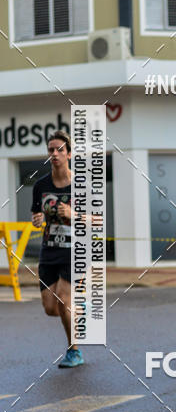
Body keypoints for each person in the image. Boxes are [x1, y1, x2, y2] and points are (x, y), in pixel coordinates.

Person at [31, 130, 84, 368]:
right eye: (51, 150)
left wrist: (74, 214)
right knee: (51, 308)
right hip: (49, 252)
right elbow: (36, 213)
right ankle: (80, 309)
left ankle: (74, 351)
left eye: (59, 149)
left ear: (69, 154)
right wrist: (37, 220)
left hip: (75, 251)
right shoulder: (40, 185)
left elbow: (98, 219)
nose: (54, 153)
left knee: (63, 301)